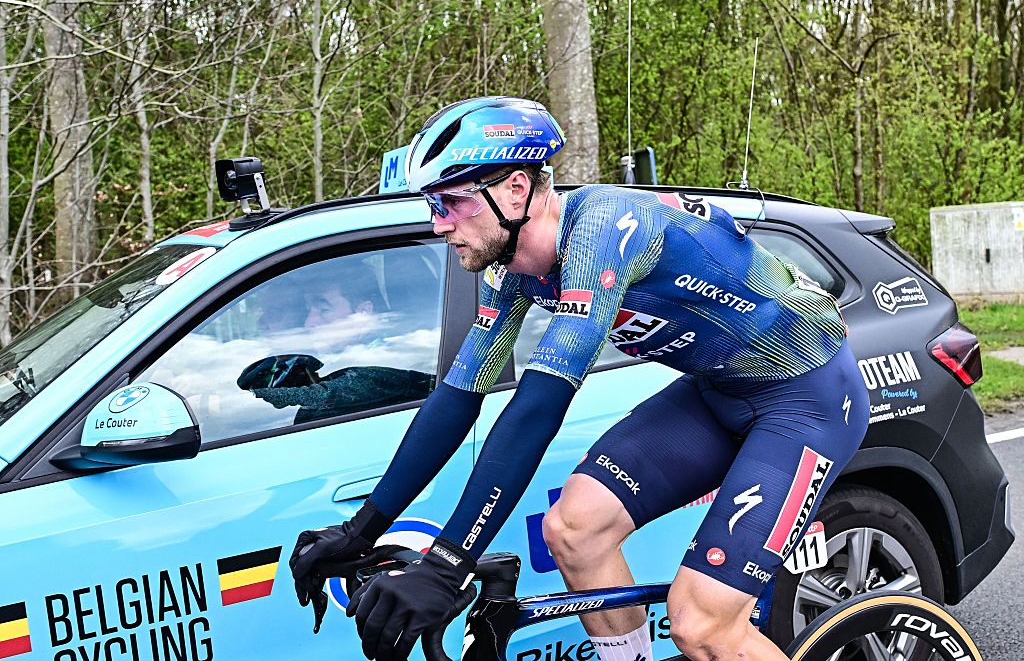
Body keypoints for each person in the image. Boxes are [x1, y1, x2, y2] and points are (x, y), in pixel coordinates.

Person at [289, 97, 869, 661]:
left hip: (807, 399)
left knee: (703, 626)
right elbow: (457, 399)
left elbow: (537, 409)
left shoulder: (604, 229)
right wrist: (364, 527)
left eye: (452, 202)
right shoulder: (513, 267)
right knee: (573, 529)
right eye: (432, 207)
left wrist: (448, 562)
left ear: (516, 190)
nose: (439, 225)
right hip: (717, 391)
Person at [242, 259, 432, 424]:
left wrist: (253, 398)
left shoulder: (383, 364)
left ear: (363, 313)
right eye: (309, 310)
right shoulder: (340, 358)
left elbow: (332, 392)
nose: (309, 322)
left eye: (323, 310)